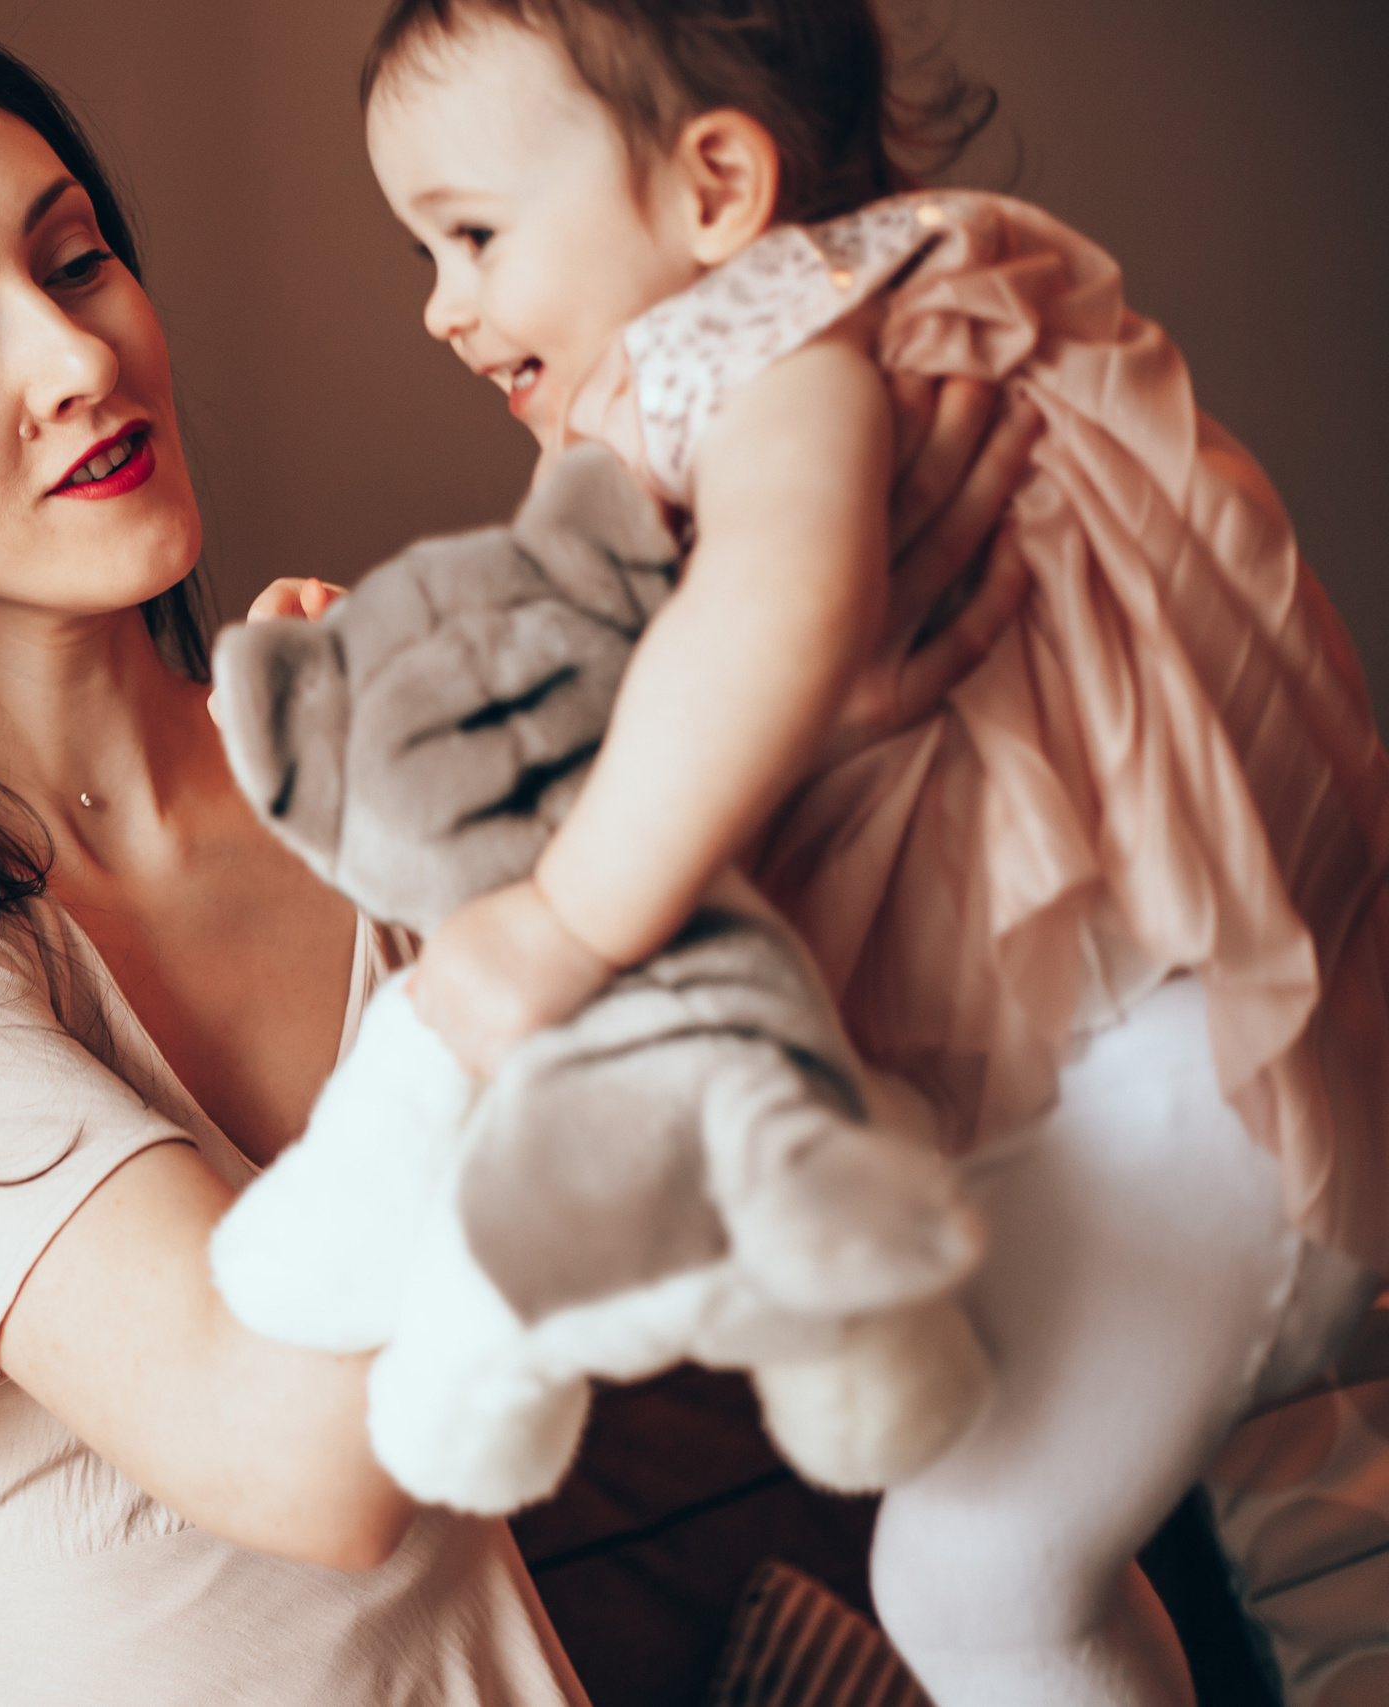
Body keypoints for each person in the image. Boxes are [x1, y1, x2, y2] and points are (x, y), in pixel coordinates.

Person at [0, 3, 1024, 1700]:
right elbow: (310, 1455)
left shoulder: (371, 770)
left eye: (72, 263)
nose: (77, 361)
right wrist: (555, 902)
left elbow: (767, 1124)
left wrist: (792, 698)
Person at [359, 1, 1389, 1701]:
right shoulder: (844, 326)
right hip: (1157, 1058)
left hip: (1176, 1072)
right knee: (1060, 1549)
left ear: (715, 188)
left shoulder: (762, 341)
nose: (442, 306)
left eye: (470, 235)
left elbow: (778, 608)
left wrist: (556, 923)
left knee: (978, 1577)